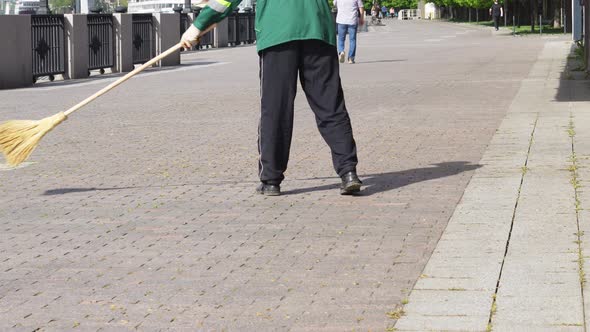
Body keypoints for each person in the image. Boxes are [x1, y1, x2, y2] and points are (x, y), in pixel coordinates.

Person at [180, 1, 362, 196]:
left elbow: (224, 2)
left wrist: (197, 26)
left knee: (276, 108)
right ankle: (348, 172)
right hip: (318, 30)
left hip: (278, 33)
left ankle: (271, 180)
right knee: (330, 105)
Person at [334, 0, 365, 64]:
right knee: (352, 40)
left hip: (341, 20)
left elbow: (335, 4)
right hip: (352, 20)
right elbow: (361, 7)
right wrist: (361, 18)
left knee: (341, 39)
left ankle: (341, 51)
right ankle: (351, 58)